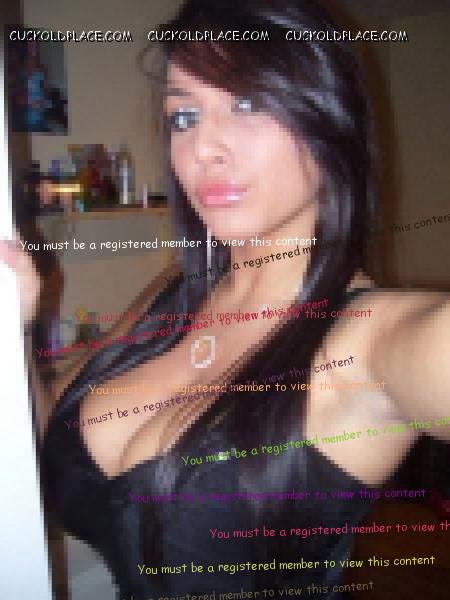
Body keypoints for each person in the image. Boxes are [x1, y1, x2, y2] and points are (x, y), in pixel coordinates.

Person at [1, 1, 449, 598]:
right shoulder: (172, 295)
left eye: (248, 104)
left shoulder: (373, 340)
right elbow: (46, 429)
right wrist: (17, 327)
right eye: (184, 116)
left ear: (329, 122)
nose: (204, 148)